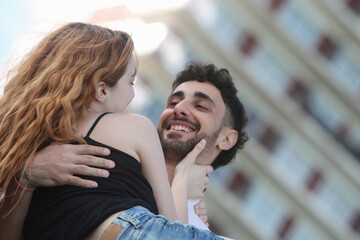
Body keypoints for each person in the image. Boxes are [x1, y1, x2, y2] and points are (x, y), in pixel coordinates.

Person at [0, 22, 234, 240]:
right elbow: (172, 226)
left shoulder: (24, 148)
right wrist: (183, 178)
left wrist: (23, 177)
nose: (132, 95)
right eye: (131, 82)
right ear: (102, 91)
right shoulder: (135, 126)